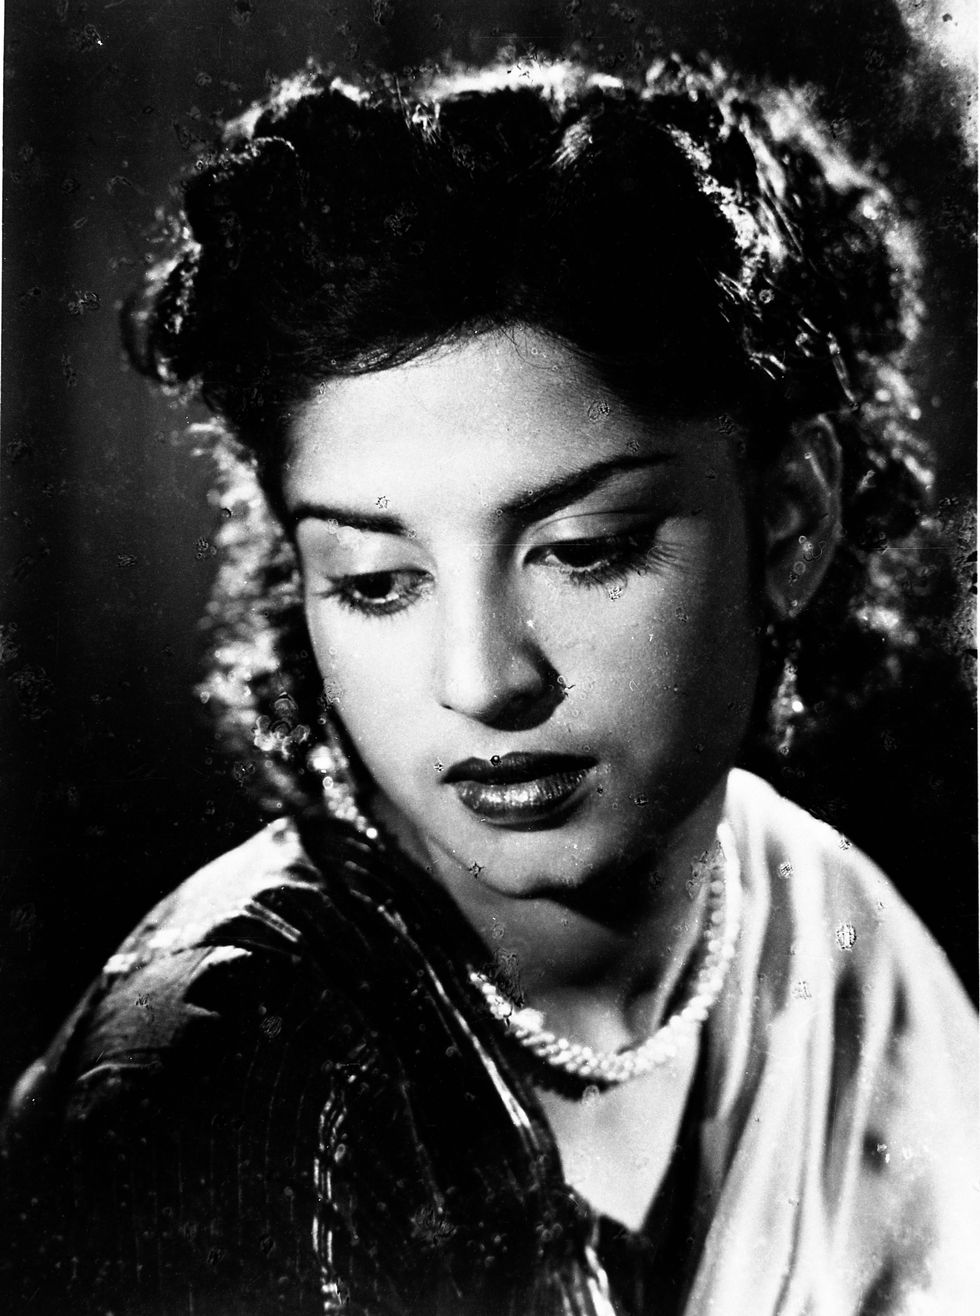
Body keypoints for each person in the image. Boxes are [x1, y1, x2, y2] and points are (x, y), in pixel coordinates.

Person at [2, 53, 976, 1316]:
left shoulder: (828, 929)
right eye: (373, 580)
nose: (481, 680)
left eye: (584, 551)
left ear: (788, 520)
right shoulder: (220, 1087)